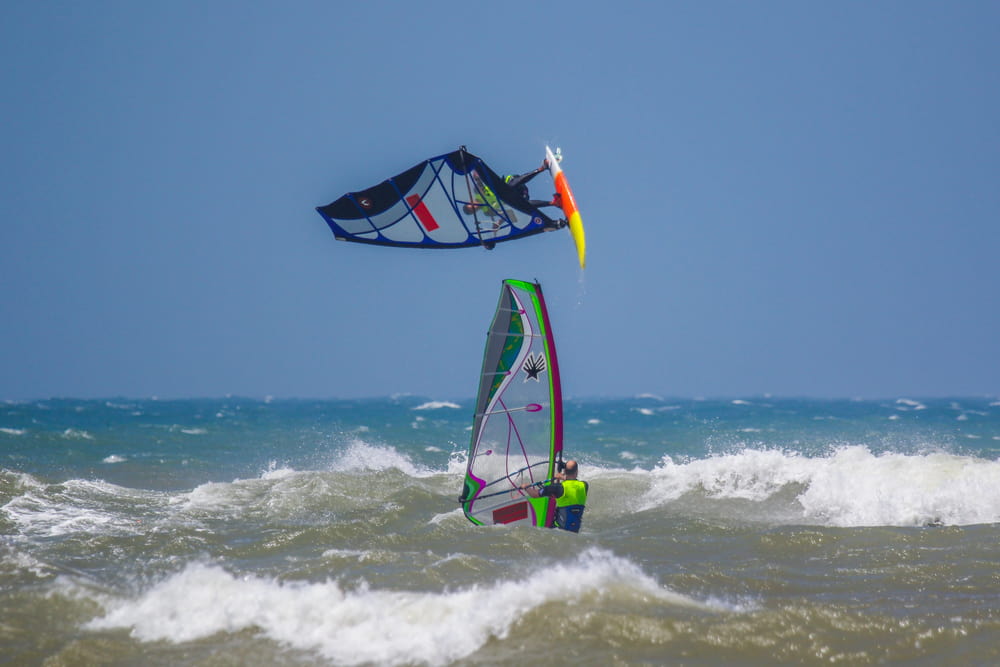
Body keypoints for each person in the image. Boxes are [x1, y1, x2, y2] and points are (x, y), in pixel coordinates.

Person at [520, 459, 588, 533]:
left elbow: (535, 494)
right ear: (577, 472)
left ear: (564, 471)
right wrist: (563, 477)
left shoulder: (557, 488)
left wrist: (526, 487)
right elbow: (573, 483)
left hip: (559, 529)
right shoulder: (584, 486)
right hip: (575, 529)